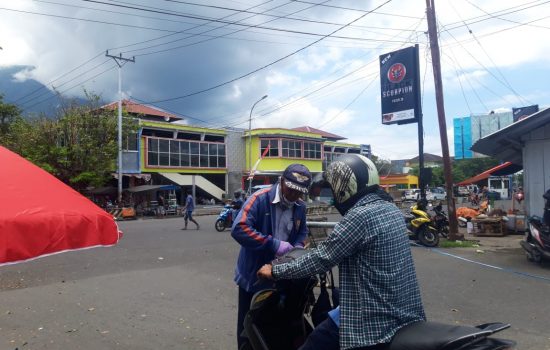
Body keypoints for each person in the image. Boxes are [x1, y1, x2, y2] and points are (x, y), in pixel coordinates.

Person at [257, 154, 426, 350]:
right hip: (402, 312)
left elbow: (323, 258)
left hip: (371, 319)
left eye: (333, 189)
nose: (333, 197)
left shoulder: (360, 216)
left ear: (344, 187)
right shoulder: (390, 209)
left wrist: (275, 271)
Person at [231, 164, 312, 349]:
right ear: (282, 181)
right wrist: (273, 244)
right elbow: (239, 228)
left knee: (275, 325)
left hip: (281, 274)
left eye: (299, 192)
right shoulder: (259, 198)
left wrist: (297, 248)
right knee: (248, 326)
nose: (293, 195)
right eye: (290, 189)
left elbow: (302, 232)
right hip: (254, 275)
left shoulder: (300, 206)